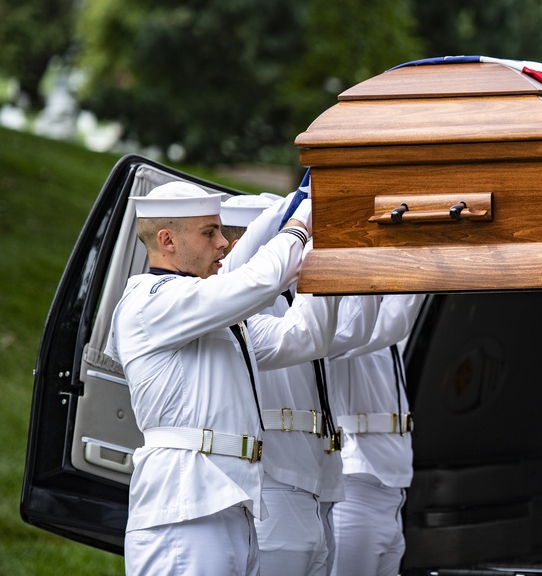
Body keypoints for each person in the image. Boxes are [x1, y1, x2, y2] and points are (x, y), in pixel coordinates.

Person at [105, 181, 341, 576]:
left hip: (230, 505)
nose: (224, 244)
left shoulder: (213, 314)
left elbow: (306, 337)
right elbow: (259, 282)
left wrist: (329, 246)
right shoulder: (151, 299)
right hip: (184, 511)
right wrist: (301, 222)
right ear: (167, 240)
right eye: (208, 232)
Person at [219, 192, 381, 576]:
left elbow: (355, 329)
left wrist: (368, 251)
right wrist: (308, 201)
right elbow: (302, 335)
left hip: (318, 481)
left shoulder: (290, 297)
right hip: (274, 479)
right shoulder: (230, 303)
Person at [327, 293, 425, 576]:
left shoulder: (379, 316)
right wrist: (420, 269)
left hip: (393, 488)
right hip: (356, 486)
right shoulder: (344, 317)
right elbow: (393, 323)